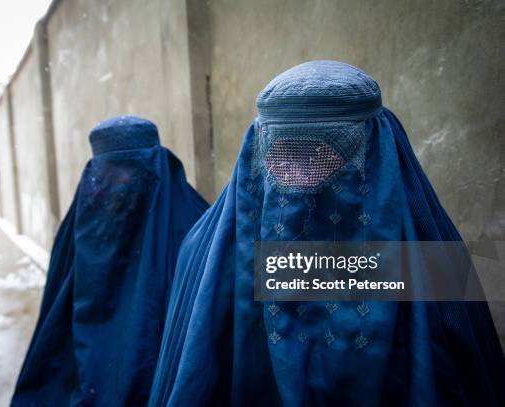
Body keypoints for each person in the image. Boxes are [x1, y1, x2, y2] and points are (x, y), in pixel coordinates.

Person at [149, 61, 505, 406]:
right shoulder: (203, 255)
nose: (296, 175)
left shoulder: (432, 256)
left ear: (371, 150)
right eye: (280, 154)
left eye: (320, 153)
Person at [11, 116, 208, 406]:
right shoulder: (78, 233)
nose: (122, 182)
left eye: (132, 170)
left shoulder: (195, 226)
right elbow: (56, 325)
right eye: (111, 172)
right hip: (90, 379)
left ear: (155, 167)